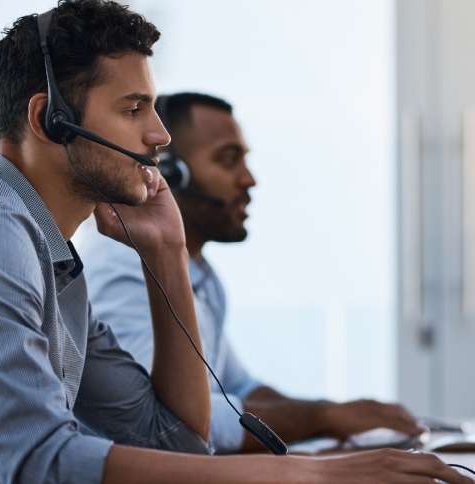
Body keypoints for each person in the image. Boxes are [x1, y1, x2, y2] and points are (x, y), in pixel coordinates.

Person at [0, 2, 469, 483]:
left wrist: (166, 254)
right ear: (47, 120)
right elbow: (40, 462)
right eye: (134, 109)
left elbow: (179, 445)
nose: (159, 135)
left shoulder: (56, 266)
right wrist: (308, 474)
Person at [80, 92, 422, 453]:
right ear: (169, 174)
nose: (249, 180)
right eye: (229, 160)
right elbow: (172, 423)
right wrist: (324, 418)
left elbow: (238, 388)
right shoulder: (123, 265)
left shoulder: (200, 276)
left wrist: (342, 417)